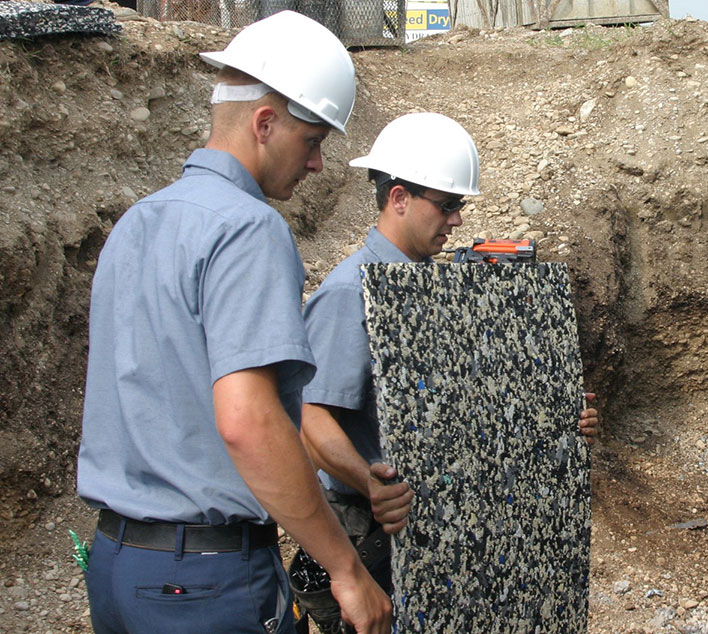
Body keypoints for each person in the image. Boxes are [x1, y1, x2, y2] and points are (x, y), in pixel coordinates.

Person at [75, 11, 391, 634]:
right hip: (201, 584)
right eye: (313, 141)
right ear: (265, 122)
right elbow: (248, 421)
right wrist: (345, 568)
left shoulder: (137, 222)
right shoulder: (248, 229)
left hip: (116, 566)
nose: (319, 164)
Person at [296, 112, 600, 599]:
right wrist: (372, 484)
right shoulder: (349, 293)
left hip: (448, 526)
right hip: (378, 532)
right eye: (447, 205)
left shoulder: (437, 289)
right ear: (399, 198)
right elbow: (312, 419)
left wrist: (557, 416)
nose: (457, 219)